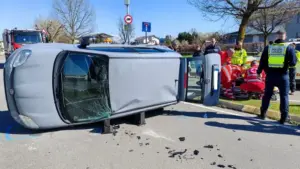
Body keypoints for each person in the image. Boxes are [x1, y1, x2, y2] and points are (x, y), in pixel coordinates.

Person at [257, 30, 297, 124]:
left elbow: (262, 61)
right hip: (283, 76)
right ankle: (283, 118)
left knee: (267, 95)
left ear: (276, 36)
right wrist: (292, 82)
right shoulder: (289, 48)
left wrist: (258, 72)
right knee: (284, 96)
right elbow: (293, 64)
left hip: (270, 75)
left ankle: (263, 114)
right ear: (285, 36)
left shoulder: (269, 48)